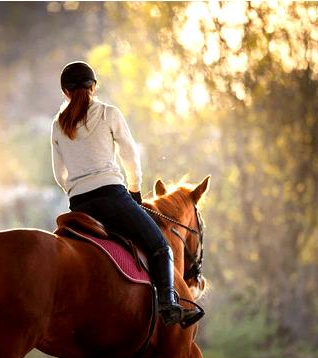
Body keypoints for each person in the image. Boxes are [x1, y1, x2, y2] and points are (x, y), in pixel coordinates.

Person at [50, 61, 204, 328]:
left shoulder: (57, 125)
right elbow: (130, 156)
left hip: (79, 205)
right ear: (93, 87)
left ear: (65, 91)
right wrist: (134, 190)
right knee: (160, 245)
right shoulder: (109, 113)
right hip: (112, 197)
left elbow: (58, 174)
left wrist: (76, 190)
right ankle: (169, 304)